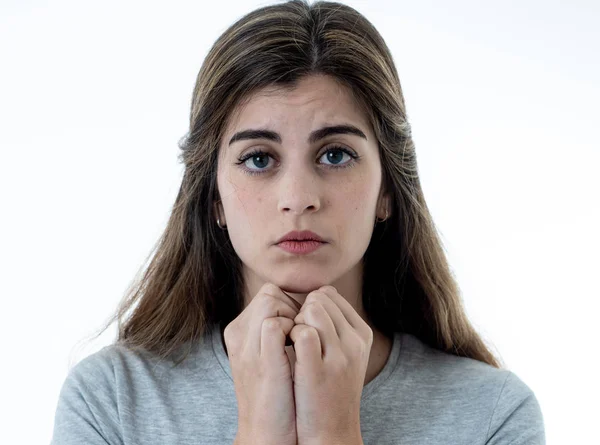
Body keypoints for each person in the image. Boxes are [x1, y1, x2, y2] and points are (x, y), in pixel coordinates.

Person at [50, 1, 546, 444]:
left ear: (388, 191)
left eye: (335, 154)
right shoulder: (110, 401)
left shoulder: (493, 415)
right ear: (213, 198)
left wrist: (335, 433)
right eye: (259, 159)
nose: (298, 199)